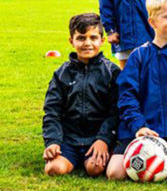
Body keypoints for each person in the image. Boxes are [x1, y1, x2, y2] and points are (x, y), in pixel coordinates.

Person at [106, 0, 167, 180]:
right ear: (152, 22)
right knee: (114, 173)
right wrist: (138, 126)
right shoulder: (139, 56)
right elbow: (126, 95)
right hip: (141, 128)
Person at [42, 13, 120, 177]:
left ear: (102, 40)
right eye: (81, 38)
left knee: (95, 168)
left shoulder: (111, 72)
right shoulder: (61, 74)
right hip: (69, 138)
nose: (87, 43)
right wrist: (53, 141)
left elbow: (116, 112)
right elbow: (52, 111)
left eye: (93, 37)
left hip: (97, 137)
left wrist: (104, 139)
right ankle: (70, 156)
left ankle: (99, 153)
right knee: (54, 169)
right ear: (71, 41)